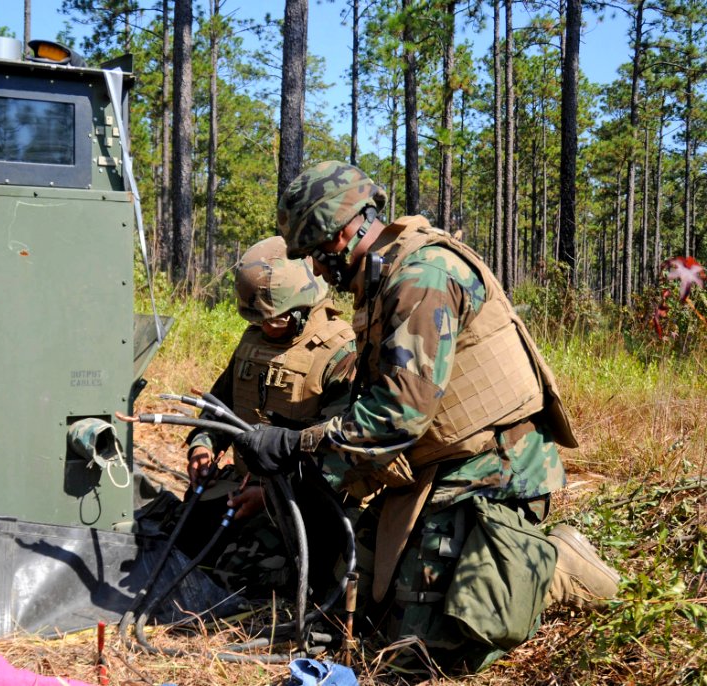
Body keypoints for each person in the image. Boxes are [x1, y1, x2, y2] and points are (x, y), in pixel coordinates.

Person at [231, 161, 620, 672]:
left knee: (427, 655)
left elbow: (398, 415)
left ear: (345, 231)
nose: (319, 272)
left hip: (492, 471)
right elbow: (378, 399)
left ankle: (554, 566)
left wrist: (296, 445)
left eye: (320, 256)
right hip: (434, 465)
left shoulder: (421, 278)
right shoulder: (384, 276)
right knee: (362, 621)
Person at [178, 235, 356, 596]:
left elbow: (342, 455)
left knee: (237, 579)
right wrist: (202, 446)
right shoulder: (254, 338)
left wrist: (269, 496)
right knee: (178, 540)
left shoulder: (340, 355)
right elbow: (220, 405)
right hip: (242, 491)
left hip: (303, 505)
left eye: (271, 320)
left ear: (302, 309)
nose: (262, 326)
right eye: (256, 318)